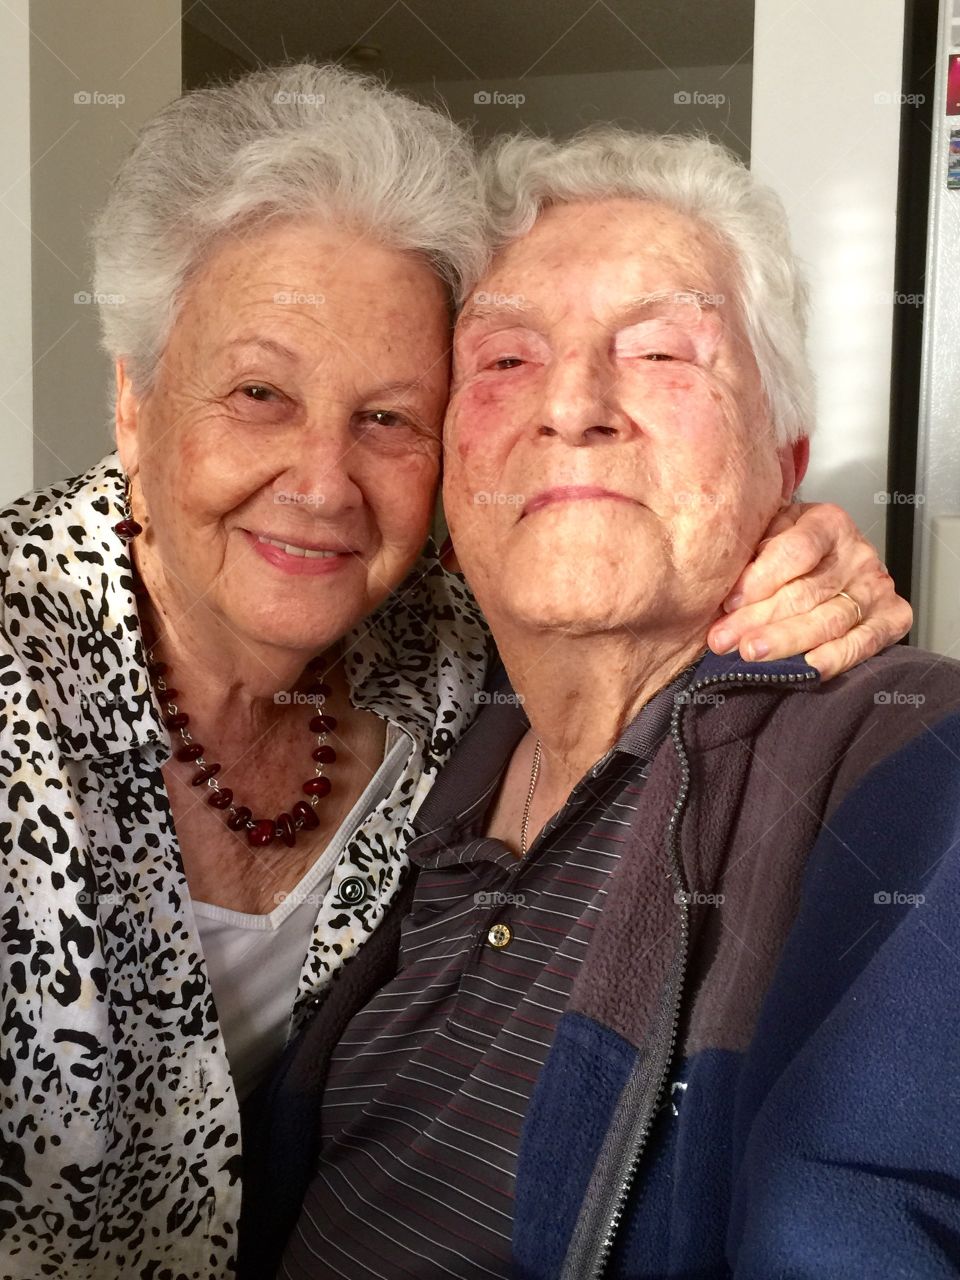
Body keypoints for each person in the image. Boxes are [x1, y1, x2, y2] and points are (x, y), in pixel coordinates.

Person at [0, 65, 907, 1278]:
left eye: (388, 416)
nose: (322, 482)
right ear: (133, 399)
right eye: (260, 393)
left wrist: (787, 541)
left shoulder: (446, 654)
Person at [253, 129, 960, 1280]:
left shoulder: (914, 764)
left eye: (664, 351)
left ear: (785, 465)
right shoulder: (417, 739)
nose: (574, 404)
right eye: (505, 360)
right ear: (446, 481)